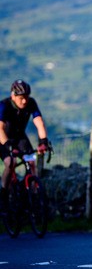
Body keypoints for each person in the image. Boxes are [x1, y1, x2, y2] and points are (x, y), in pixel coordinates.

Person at [0, 80, 49, 210]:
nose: (24, 101)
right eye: (21, 98)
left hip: (20, 137)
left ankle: (33, 195)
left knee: (31, 162)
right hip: (3, 139)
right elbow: (0, 129)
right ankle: (3, 194)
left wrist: (43, 142)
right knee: (11, 162)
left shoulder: (31, 103)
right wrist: (8, 146)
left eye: (26, 97)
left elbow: (39, 123)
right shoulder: (4, 105)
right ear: (13, 96)